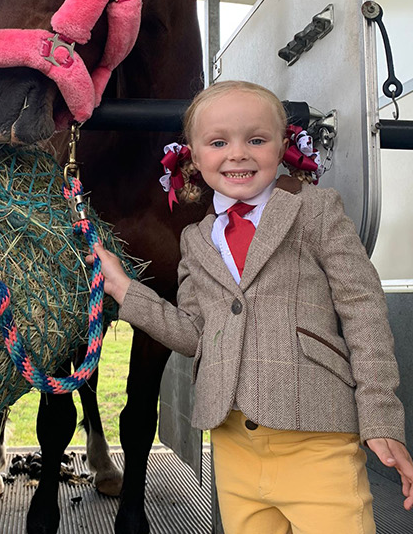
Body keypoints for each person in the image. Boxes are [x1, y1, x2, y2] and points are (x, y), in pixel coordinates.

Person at [90, 80, 413, 531]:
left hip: (317, 439)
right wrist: (125, 290)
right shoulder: (195, 240)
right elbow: (195, 334)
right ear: (193, 156)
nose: (238, 154)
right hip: (233, 446)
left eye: (256, 140)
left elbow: (364, 309)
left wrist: (380, 417)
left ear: (282, 147)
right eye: (218, 142)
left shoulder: (316, 210)